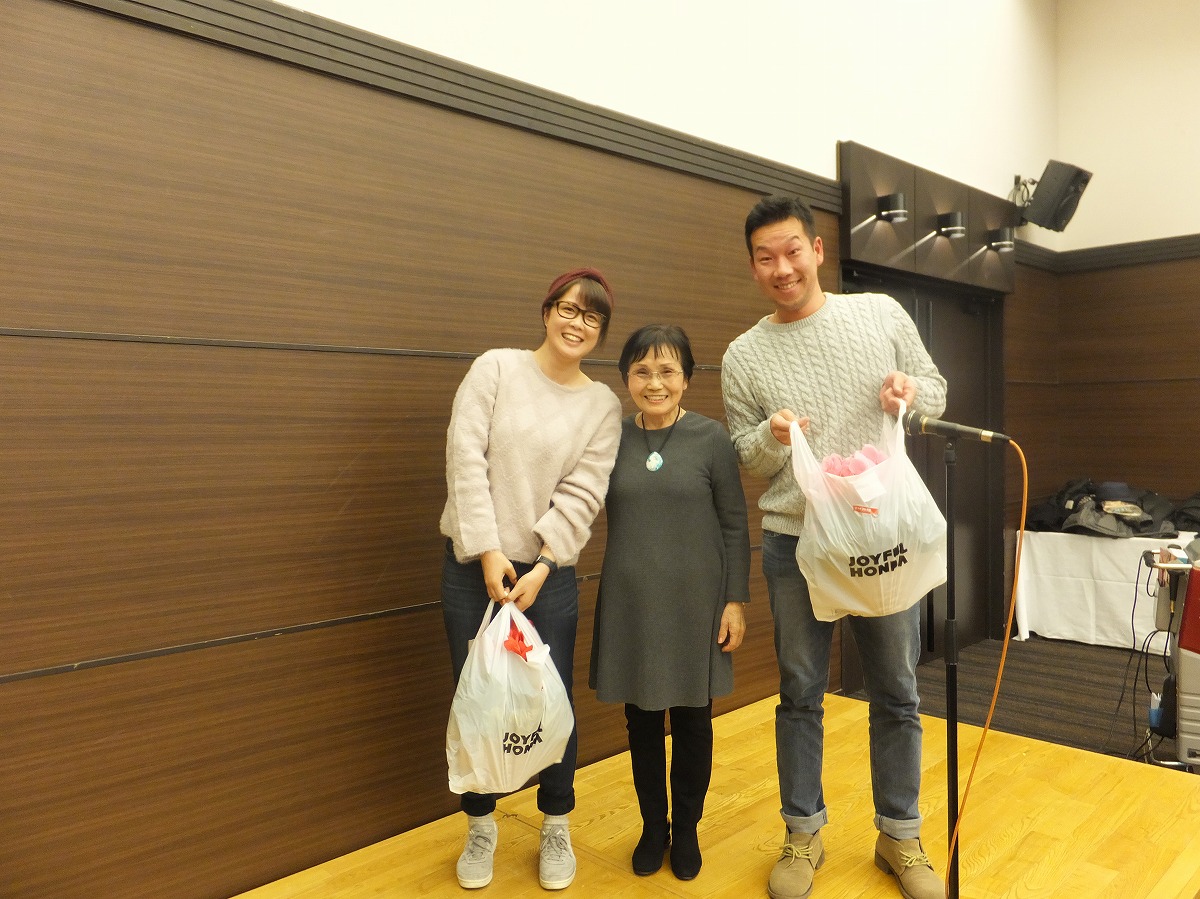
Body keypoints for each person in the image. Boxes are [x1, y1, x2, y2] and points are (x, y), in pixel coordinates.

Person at [720, 196, 948, 899]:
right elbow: (746, 454)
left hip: (882, 535)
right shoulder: (743, 355)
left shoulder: (879, 314)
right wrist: (772, 438)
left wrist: (911, 392)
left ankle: (900, 834)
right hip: (795, 542)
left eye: (793, 250)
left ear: (817, 250)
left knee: (898, 690)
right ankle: (803, 832)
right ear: (753, 267)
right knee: (799, 692)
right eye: (766, 258)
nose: (782, 268)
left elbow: (936, 392)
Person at [440, 268, 623, 891]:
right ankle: (480, 826)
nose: (577, 323)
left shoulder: (602, 405)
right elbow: (465, 459)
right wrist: (489, 550)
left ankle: (556, 824)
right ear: (547, 311)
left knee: (552, 700)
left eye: (592, 318)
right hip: (472, 567)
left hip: (549, 576)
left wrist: (543, 564)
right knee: (476, 697)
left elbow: (584, 491)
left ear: (600, 333)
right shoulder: (496, 368)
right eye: (569, 309)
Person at [590, 324, 750, 882]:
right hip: (631, 601)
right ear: (626, 378)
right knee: (639, 722)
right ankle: (652, 828)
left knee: (692, 722)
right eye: (642, 371)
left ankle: (686, 829)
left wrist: (735, 601)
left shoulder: (711, 438)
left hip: (696, 603)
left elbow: (735, 524)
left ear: (686, 378)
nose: (654, 383)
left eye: (667, 371)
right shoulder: (609, 439)